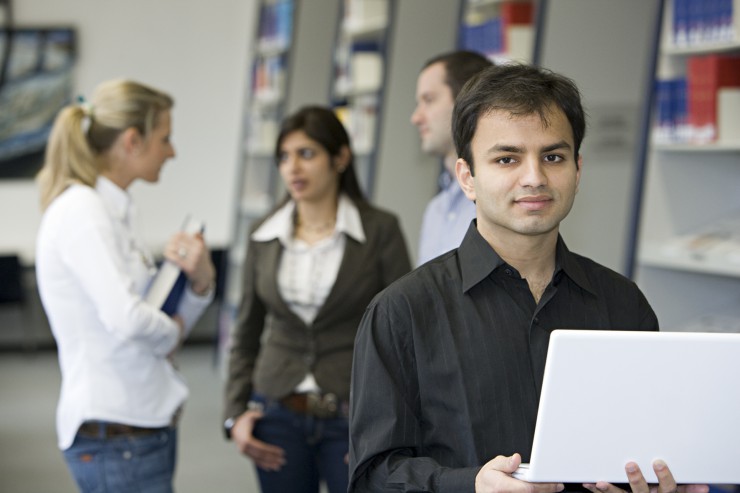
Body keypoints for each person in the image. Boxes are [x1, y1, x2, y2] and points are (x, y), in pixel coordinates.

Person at [349, 64, 709, 493]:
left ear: (578, 170)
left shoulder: (623, 303)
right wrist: (471, 486)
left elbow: (647, 449)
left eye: (553, 157)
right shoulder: (402, 312)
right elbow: (373, 475)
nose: (535, 178)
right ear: (468, 177)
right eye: (507, 159)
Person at [35, 79, 217, 492]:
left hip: (136, 430)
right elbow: (131, 321)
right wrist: (170, 333)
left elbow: (142, 316)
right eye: (164, 139)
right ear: (132, 141)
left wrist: (196, 282)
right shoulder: (84, 212)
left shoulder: (112, 211)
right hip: (119, 436)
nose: (172, 152)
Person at [223, 106, 411, 493]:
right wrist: (234, 415)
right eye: (284, 157)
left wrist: (393, 429)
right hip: (277, 411)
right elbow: (246, 331)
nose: (293, 168)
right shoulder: (265, 233)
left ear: (340, 158)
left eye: (306, 154)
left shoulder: (380, 230)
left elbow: (405, 335)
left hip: (355, 416)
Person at [411, 50, 492, 266]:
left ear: (466, 102)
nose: (416, 117)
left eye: (428, 100)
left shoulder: (498, 202)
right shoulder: (436, 210)